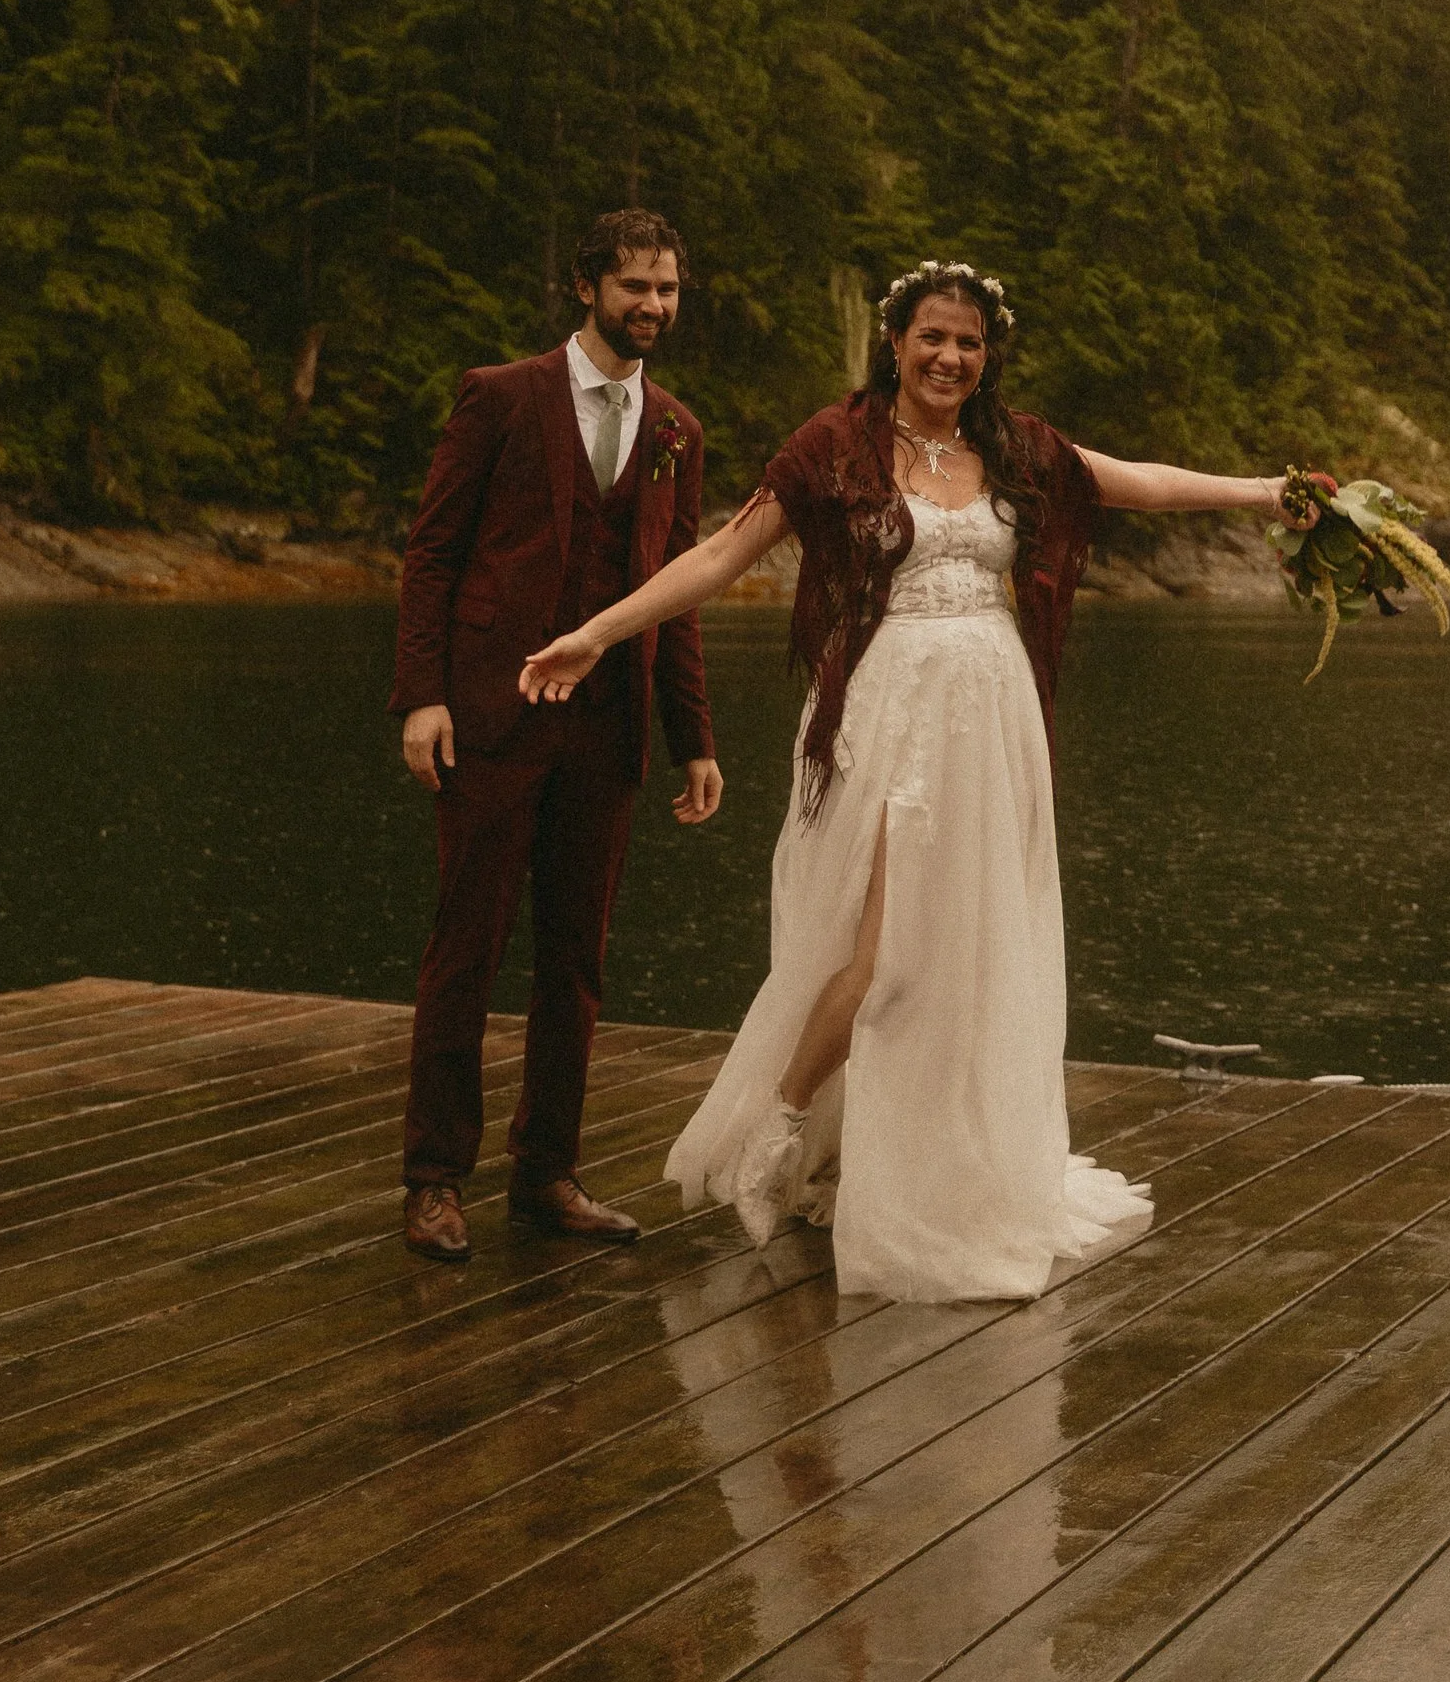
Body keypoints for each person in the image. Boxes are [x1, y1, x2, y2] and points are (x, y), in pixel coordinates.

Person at [520, 258, 1296, 1305]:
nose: (949, 357)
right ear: (893, 341)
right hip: (892, 714)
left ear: (987, 356)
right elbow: (719, 557)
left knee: (966, 953)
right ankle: (776, 1134)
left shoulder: (1010, 447)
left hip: (994, 719)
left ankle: (927, 1159)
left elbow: (1134, 481)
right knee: (882, 952)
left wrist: (1269, 494)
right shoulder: (834, 448)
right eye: (932, 336)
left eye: (969, 342)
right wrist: (597, 635)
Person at [392, 208, 722, 1263]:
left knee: (575, 962)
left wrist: (693, 740)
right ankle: (436, 1178)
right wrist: (422, 697)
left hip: (607, 730)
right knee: (466, 948)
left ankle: (547, 1174)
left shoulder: (676, 430)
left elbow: (676, 595)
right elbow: (432, 555)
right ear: (587, 286)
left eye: (668, 289)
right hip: (487, 717)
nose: (654, 307)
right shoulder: (499, 397)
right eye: (636, 287)